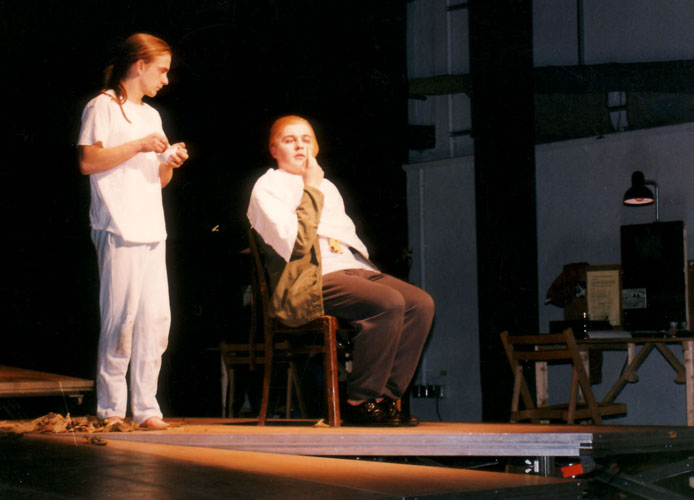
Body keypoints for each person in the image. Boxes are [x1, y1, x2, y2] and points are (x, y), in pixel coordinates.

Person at [247, 115, 434, 426]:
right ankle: (359, 400)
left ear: (317, 147)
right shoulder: (267, 187)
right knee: (387, 302)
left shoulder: (328, 187)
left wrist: (316, 188)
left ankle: (384, 399)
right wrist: (310, 189)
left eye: (306, 140)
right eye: (290, 140)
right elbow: (296, 244)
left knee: (420, 304)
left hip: (351, 268)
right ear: (274, 149)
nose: (300, 146)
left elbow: (346, 240)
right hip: (308, 277)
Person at [77, 33, 188, 429]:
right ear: (139, 66)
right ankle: (111, 408)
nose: (166, 79)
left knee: (156, 321)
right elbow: (89, 162)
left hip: (151, 227)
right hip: (117, 224)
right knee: (120, 320)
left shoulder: (152, 116)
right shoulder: (102, 106)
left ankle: (146, 408)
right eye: (162, 70)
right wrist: (140, 145)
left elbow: (157, 180)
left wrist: (168, 161)